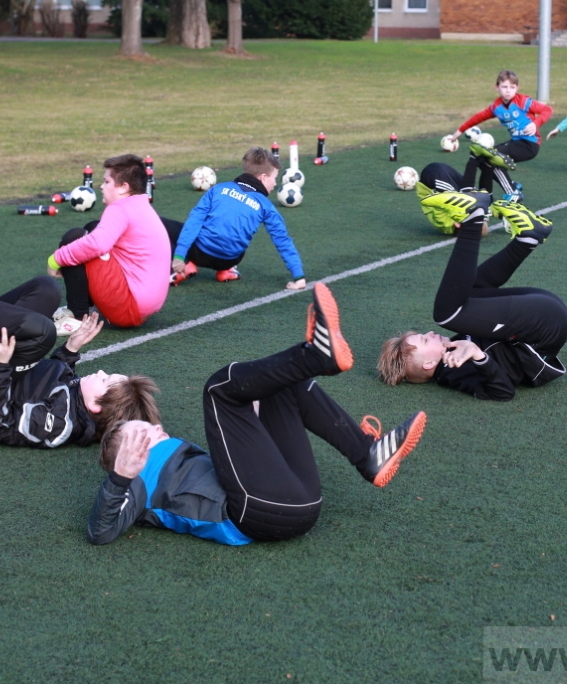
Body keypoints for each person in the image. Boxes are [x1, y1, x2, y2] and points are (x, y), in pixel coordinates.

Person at [86, 283, 426, 546]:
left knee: (284, 386)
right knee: (217, 389)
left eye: (149, 427)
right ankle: (314, 356)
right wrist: (120, 477)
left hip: (294, 500)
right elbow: (100, 532)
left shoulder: (179, 457)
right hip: (255, 513)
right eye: (141, 436)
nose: (155, 430)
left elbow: (241, 461)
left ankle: (367, 454)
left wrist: (258, 408)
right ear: (128, 459)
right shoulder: (137, 483)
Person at [0, 244, 161, 448]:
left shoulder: (59, 426)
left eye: (105, 381)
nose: (101, 372)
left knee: (43, 332)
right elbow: (49, 384)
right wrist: (70, 349)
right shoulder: (79, 403)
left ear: (96, 406)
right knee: (46, 289)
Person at [377, 191, 567, 401]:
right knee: (446, 315)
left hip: (541, 316)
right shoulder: (452, 372)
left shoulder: (453, 351)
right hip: (542, 329)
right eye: (425, 339)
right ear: (429, 364)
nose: (430, 332)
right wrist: (478, 355)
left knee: (466, 294)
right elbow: (503, 392)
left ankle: (529, 237)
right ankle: (472, 218)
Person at [48, 154, 172, 333]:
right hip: (144, 306)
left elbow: (96, 245)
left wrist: (56, 259)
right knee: (92, 228)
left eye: (107, 182)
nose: (101, 186)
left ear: (123, 187)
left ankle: (77, 317)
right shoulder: (141, 205)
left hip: (128, 307)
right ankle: (83, 306)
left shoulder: (119, 208)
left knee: (75, 238)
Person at [169, 147, 307, 290]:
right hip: (230, 259)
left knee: (161, 225)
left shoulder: (218, 189)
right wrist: (299, 276)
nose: (275, 183)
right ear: (264, 177)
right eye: (275, 178)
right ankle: (226, 271)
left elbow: (194, 221)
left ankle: (183, 265)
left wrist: (180, 255)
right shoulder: (266, 205)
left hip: (199, 253)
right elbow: (282, 240)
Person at [454, 69, 553, 203]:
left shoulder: (523, 101)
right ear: (497, 87)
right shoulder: (496, 107)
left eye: (512, 87)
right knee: (483, 158)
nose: (508, 90)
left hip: (529, 145)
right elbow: (478, 117)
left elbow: (547, 110)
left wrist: (536, 124)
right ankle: (486, 196)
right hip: (515, 143)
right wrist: (459, 131)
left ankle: (512, 191)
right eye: (504, 87)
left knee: (491, 157)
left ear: (517, 88)